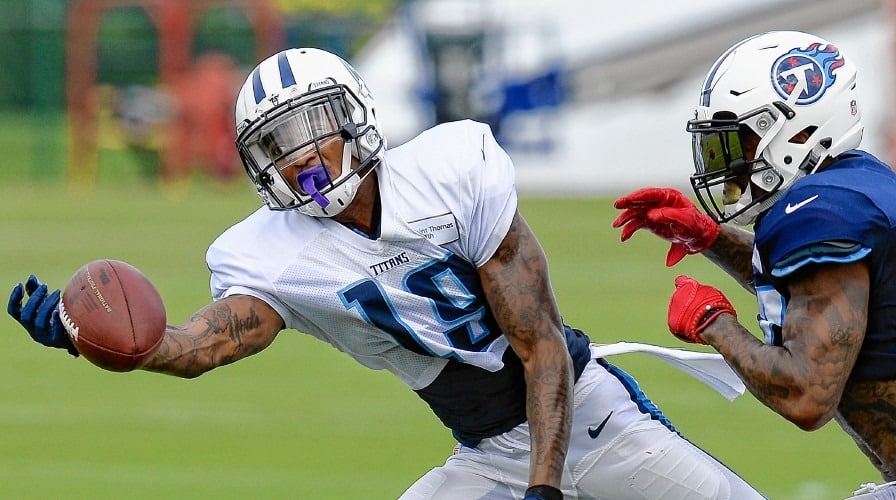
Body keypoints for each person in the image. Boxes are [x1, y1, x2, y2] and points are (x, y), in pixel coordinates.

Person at [8, 47, 764, 500]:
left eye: (311, 128)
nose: (300, 155)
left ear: (357, 116)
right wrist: (104, 341)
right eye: (276, 143)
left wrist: (544, 485)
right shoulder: (272, 253)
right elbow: (201, 345)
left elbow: (540, 346)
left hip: (584, 416)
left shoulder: (451, 172)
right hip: (484, 457)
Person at [612, 30, 896, 499]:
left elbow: (806, 395)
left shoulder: (825, 211)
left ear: (799, 131)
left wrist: (714, 323)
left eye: (741, 139)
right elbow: (810, 290)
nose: (727, 160)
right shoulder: (856, 183)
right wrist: (710, 237)